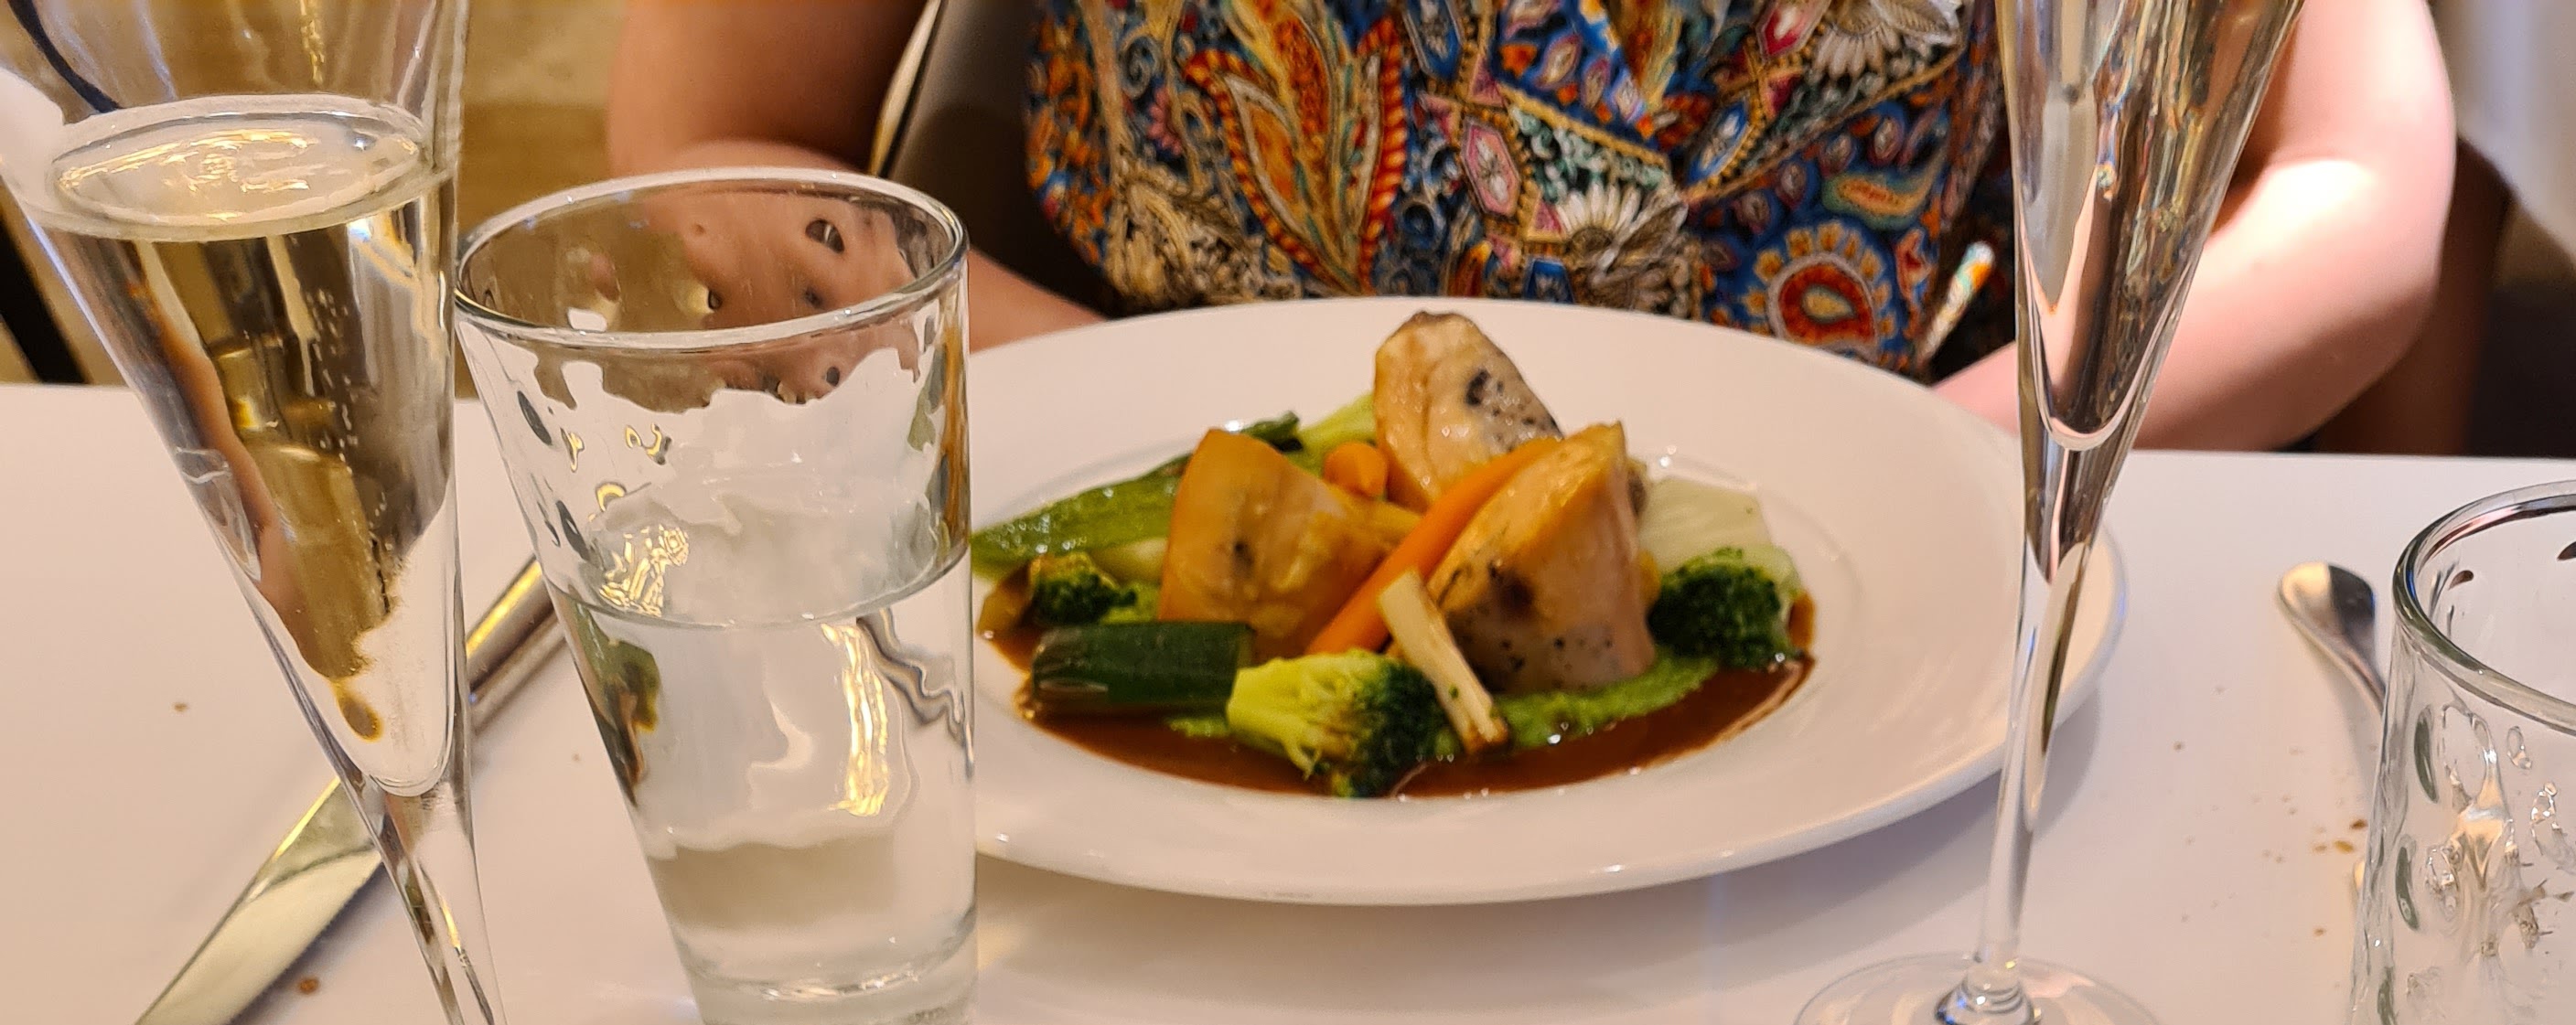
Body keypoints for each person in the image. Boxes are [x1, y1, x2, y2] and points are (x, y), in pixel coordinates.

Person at [606, 0, 2452, 447]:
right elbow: (716, 144)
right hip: (1123, 488)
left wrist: (1935, 480)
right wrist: (1171, 442)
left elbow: (2353, 187)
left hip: (1884, 528)